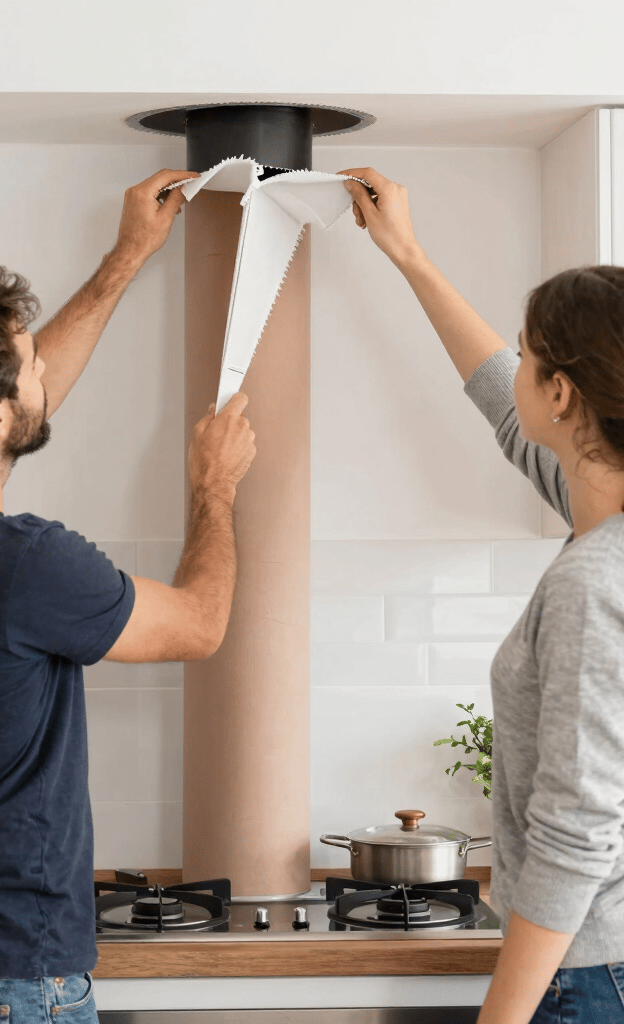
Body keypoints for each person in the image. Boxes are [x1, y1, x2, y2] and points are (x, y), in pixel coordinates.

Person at [0, 168, 256, 1021]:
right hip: (1, 980)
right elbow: (200, 625)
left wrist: (125, 259)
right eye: (31, 364)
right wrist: (213, 489)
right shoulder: (25, 565)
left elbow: (13, 414)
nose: (45, 371)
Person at [341, 166, 624, 1023]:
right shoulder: (595, 506)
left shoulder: (592, 580)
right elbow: (504, 403)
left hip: (589, 971)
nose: (519, 366)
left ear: (565, 393)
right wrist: (409, 256)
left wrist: (500, 1015)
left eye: (529, 351)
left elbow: (579, 827)